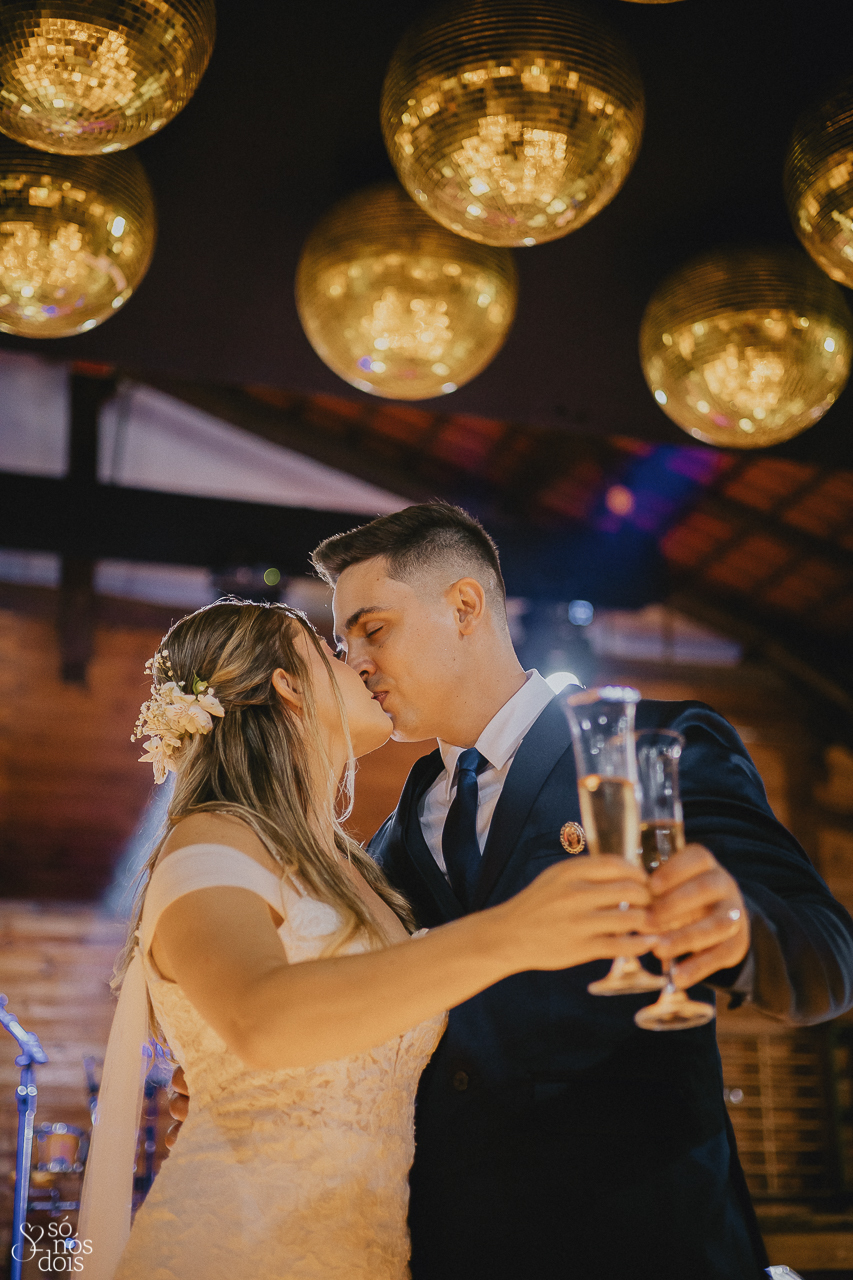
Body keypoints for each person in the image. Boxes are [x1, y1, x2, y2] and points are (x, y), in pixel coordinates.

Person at [303, 501, 853, 1280]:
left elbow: (828, 957)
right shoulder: (387, 843)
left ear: (464, 606)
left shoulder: (658, 745)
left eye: (373, 629)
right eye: (342, 643)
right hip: (456, 1246)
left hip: (647, 1237)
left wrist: (738, 928)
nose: (355, 660)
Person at [78, 599, 660, 1280]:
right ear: (287, 685)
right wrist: (510, 933)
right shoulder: (209, 839)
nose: (356, 661)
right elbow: (261, 1020)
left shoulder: (362, 873)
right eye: (330, 651)